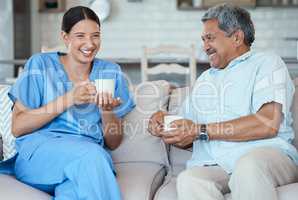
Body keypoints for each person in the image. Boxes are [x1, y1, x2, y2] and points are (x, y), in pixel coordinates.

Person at [148, 4, 298, 200]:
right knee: (190, 179)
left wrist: (200, 130)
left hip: (266, 155)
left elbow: (267, 123)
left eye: (210, 38)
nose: (205, 46)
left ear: (236, 37)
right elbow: (190, 134)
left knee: (248, 167)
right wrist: (166, 125)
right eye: (203, 40)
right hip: (217, 164)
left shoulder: (267, 63)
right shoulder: (204, 80)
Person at [0, 6, 135, 200]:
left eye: (95, 36)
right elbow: (18, 127)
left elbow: (113, 143)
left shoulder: (110, 72)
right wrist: (69, 98)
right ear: (65, 37)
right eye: (80, 36)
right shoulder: (40, 65)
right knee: (93, 158)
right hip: (40, 154)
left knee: (72, 192)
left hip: (85, 158)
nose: (89, 43)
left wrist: (106, 112)